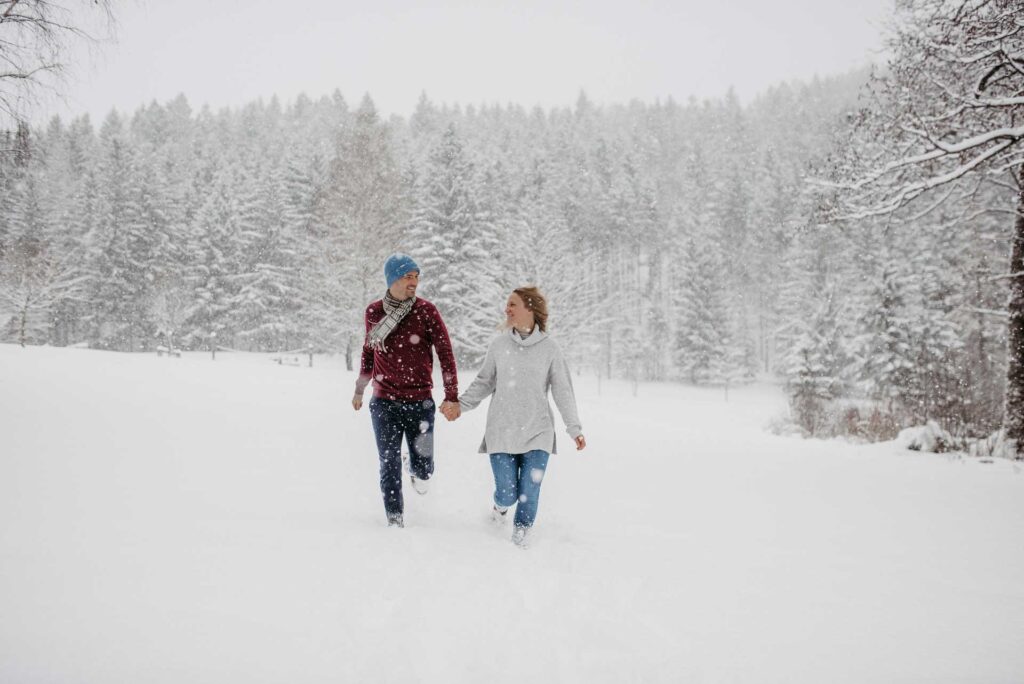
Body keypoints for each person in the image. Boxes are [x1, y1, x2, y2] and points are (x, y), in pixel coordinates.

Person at [447, 286, 585, 548]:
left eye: (513, 304)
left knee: (529, 492)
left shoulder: (550, 348)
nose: (506, 309)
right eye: (507, 304)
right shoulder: (499, 345)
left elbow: (563, 390)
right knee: (508, 493)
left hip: (538, 431)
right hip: (502, 430)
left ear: (530, 309)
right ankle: (500, 509)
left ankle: (520, 542)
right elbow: (484, 382)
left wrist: (573, 428)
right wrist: (460, 405)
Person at [353, 253, 461, 528]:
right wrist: (360, 389)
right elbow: (369, 351)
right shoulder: (373, 312)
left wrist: (451, 395)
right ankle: (395, 518)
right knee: (387, 462)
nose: (414, 282)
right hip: (384, 402)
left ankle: (416, 468)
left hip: (420, 403)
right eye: (407, 276)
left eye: (416, 277)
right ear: (392, 279)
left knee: (424, 470)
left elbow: (445, 353)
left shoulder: (426, 311)